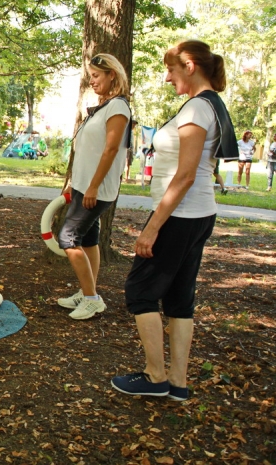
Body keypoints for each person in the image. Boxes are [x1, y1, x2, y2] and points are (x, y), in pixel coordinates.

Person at [111, 40, 237, 401]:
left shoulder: (198, 108)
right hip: (197, 214)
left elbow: (185, 175)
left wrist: (152, 227)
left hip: (180, 215)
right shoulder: (210, 104)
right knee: (180, 298)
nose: (167, 78)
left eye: (171, 69)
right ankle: (178, 383)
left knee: (140, 291)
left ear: (190, 65)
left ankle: (155, 377)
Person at [56, 54, 131, 320]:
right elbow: (88, 150)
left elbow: (111, 150)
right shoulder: (102, 107)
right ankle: (87, 291)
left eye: (97, 75)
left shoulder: (118, 107)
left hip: (96, 189)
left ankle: (91, 299)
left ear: (112, 75)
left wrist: (93, 187)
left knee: (68, 239)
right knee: (88, 239)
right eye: (91, 76)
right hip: (83, 185)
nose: (92, 81)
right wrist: (75, 183)